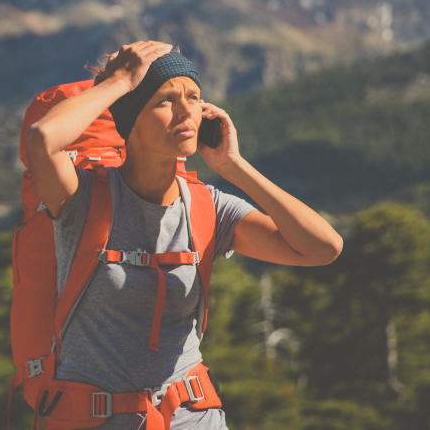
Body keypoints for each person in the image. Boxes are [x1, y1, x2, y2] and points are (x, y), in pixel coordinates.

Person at [22, 40, 343, 429]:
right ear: (131, 118)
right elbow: (42, 139)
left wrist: (234, 166)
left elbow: (323, 248)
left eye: (193, 97)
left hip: (192, 417)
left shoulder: (209, 207)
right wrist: (120, 81)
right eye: (164, 100)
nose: (186, 110)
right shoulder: (82, 197)